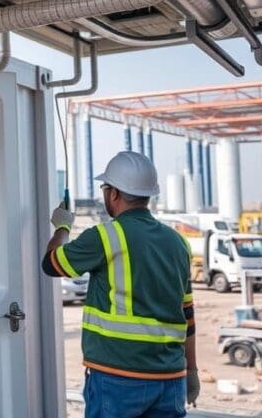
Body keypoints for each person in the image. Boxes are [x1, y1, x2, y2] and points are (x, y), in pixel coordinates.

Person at [42, 151, 198, 418]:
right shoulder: (179, 242)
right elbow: (188, 315)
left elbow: (51, 264)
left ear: (113, 193)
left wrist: (62, 228)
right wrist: (191, 371)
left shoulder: (105, 236)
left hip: (118, 379)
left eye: (105, 188)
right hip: (170, 377)